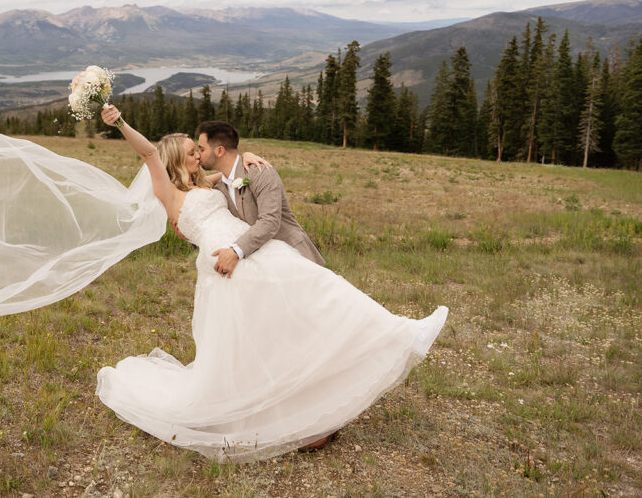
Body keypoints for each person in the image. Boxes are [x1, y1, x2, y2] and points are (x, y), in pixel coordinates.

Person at [95, 104, 448, 463]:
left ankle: (397, 333)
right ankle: (288, 413)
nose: (198, 156)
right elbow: (148, 151)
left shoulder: (207, 181)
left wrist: (241, 156)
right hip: (227, 269)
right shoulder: (168, 193)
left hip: (254, 252)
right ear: (174, 159)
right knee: (262, 338)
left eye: (199, 150)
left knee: (317, 297)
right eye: (191, 152)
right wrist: (120, 121)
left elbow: (231, 174)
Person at [196, 120, 325, 276]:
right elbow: (193, 189)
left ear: (220, 151)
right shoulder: (220, 187)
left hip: (296, 257)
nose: (198, 155)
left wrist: (235, 251)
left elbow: (270, 221)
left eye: (201, 149)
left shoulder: (260, 172)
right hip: (265, 266)